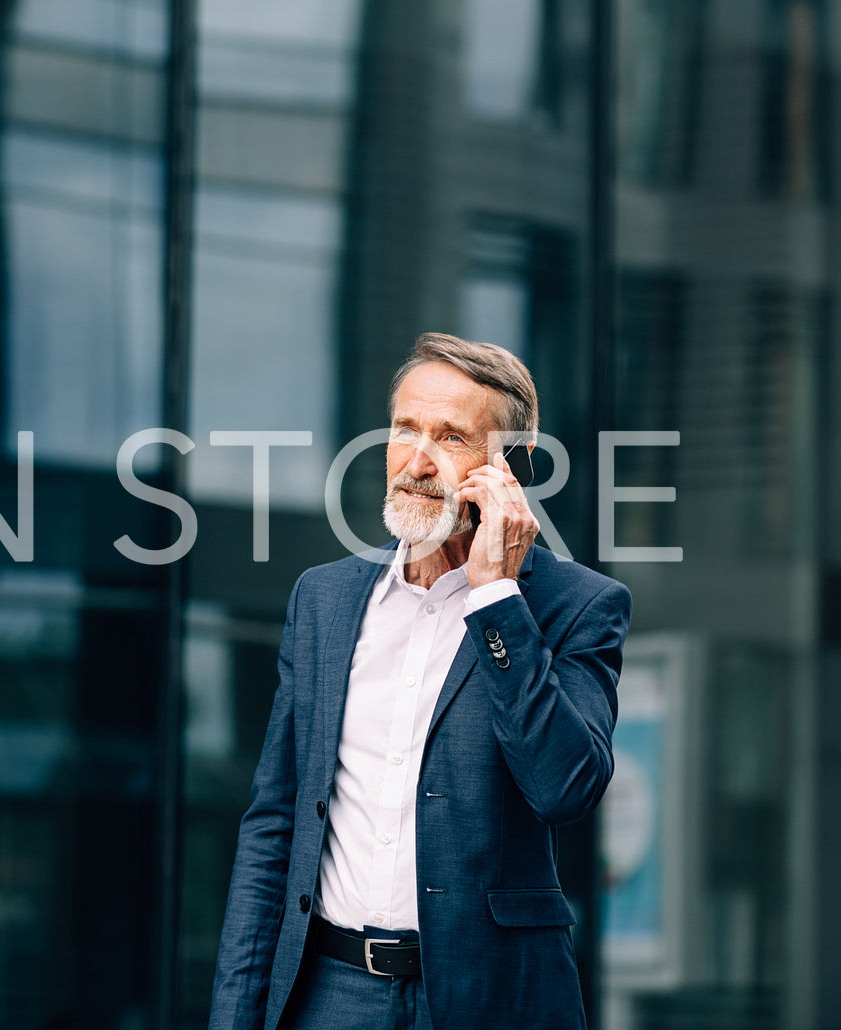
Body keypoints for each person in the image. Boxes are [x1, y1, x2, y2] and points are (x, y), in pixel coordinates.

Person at [207, 334, 631, 1030]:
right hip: (327, 994)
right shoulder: (324, 599)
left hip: (488, 1000)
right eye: (404, 429)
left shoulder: (576, 607)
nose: (417, 459)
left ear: (510, 468)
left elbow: (564, 788)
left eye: (451, 437)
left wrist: (496, 600)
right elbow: (273, 824)